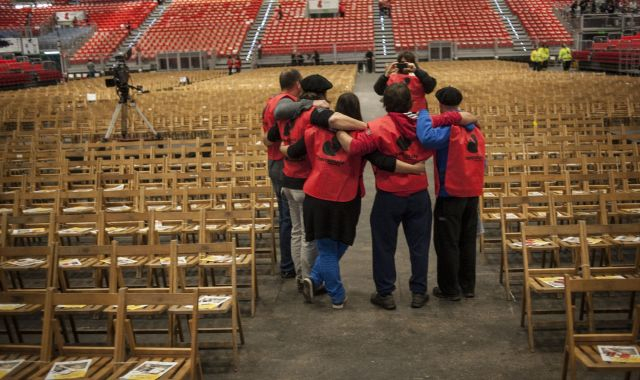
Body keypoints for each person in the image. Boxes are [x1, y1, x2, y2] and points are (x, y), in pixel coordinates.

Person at [335, 83, 477, 310]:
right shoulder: (425, 123)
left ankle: (385, 293)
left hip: (389, 195)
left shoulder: (378, 126)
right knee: (419, 247)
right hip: (419, 193)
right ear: (411, 103)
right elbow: (450, 126)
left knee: (384, 246)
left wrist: (337, 129)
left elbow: (355, 148)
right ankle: (418, 292)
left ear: (385, 103)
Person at [283, 92, 426, 308]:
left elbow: (293, 152)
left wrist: (280, 148)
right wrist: (414, 169)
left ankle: (313, 279)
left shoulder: (313, 131)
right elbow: (384, 161)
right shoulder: (360, 136)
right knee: (333, 247)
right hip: (345, 197)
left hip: (316, 195)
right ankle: (337, 296)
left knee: (333, 246)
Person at [415, 86, 485, 301]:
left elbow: (426, 138)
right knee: (466, 241)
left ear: (442, 106)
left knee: (447, 243)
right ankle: (467, 286)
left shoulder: (450, 129)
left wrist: (423, 113)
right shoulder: (475, 128)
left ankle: (449, 289)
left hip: (451, 192)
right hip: (472, 192)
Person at [261, 69, 302, 279]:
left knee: (287, 215)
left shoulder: (271, 100)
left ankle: (289, 263)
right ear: (297, 84)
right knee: (288, 217)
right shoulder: (285, 102)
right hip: (281, 162)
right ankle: (288, 265)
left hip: (274, 159)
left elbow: (265, 137)